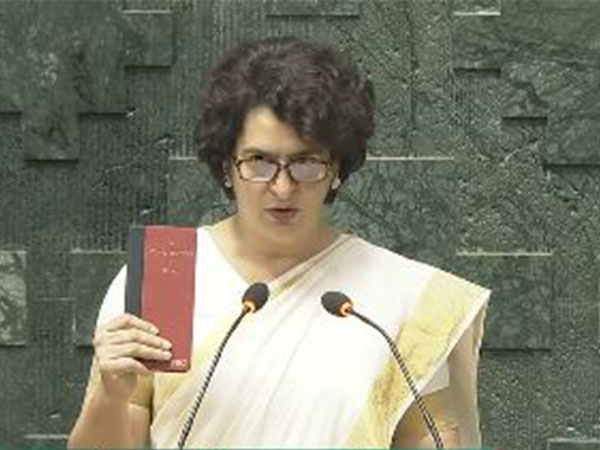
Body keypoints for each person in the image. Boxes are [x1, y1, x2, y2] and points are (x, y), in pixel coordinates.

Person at [68, 36, 490, 448]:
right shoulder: (168, 276)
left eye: (306, 162)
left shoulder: (402, 297)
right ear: (225, 167)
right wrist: (110, 392)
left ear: (337, 167)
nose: (283, 187)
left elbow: (429, 436)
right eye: (260, 161)